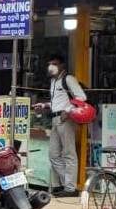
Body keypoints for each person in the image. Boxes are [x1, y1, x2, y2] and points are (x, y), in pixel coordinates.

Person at [34, 54, 86, 198]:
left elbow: (81, 97)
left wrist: (68, 111)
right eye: (50, 63)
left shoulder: (68, 79)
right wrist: (44, 105)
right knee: (53, 154)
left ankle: (70, 188)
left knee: (69, 154)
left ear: (62, 65)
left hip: (66, 119)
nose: (51, 66)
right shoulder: (53, 81)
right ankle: (67, 185)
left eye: (55, 63)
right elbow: (57, 102)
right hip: (55, 119)